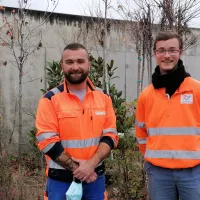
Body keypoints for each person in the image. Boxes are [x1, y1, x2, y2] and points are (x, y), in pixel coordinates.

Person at [35, 43, 118, 200]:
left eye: (80, 61)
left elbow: (110, 135)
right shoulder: (50, 99)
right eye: (69, 62)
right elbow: (47, 142)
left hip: (95, 180)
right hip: (61, 181)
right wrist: (80, 169)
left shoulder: (104, 98)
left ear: (89, 64)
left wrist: (91, 165)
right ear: (62, 65)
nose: (75, 67)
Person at [135, 31, 200, 200]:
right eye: (162, 50)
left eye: (172, 50)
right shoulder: (146, 95)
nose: (167, 55)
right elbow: (141, 132)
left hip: (193, 173)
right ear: (155, 54)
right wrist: (152, 158)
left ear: (180, 52)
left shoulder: (196, 90)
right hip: (158, 173)